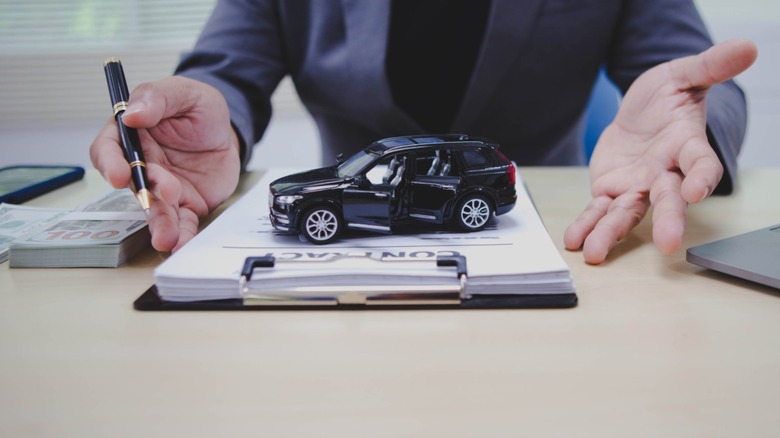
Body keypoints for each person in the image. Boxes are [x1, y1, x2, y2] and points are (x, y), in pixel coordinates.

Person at [90, 0, 757, 264]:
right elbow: (224, 70)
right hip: (343, 296)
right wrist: (213, 120)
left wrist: (692, 122)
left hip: (557, 259)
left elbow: (697, 77)